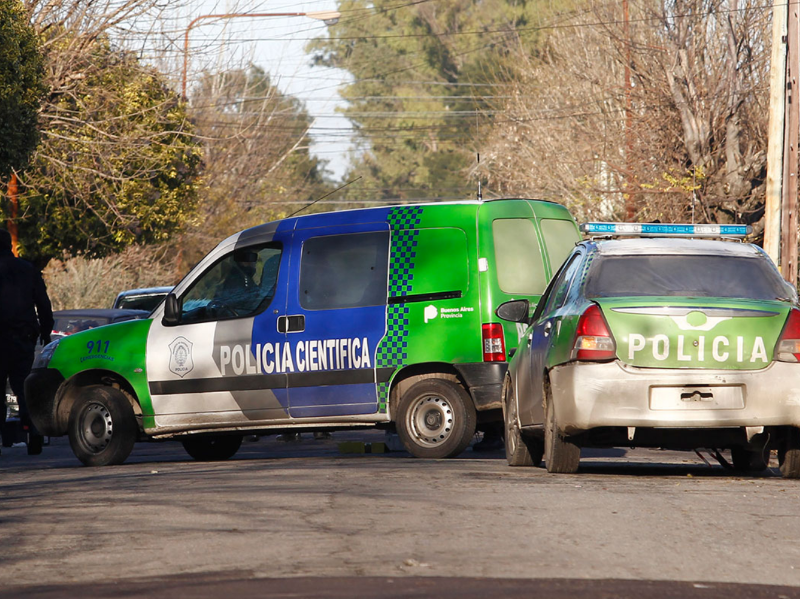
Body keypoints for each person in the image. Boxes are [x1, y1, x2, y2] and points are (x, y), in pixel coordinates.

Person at [0, 228, 54, 455]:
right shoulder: (28, 270)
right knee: (23, 387)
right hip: (23, 338)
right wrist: (46, 329)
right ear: (10, 246)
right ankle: (33, 430)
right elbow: (43, 303)